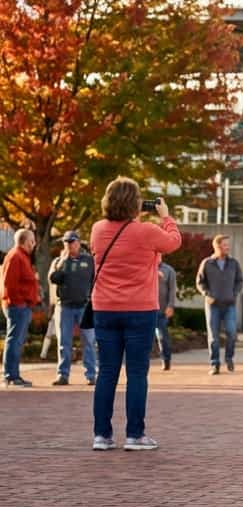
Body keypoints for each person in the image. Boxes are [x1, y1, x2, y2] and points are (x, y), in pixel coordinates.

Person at [90, 178, 182, 450]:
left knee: (107, 372)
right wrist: (166, 217)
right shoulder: (147, 231)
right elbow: (173, 242)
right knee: (137, 373)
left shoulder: (97, 229)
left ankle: (101, 435)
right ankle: (135, 435)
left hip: (104, 308)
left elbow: (122, 241)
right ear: (135, 202)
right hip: (139, 309)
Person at [49, 231, 97, 386]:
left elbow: (96, 280)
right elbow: (53, 278)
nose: (69, 245)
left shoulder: (89, 260)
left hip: (85, 306)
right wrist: (61, 263)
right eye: (66, 242)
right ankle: (62, 375)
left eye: (71, 241)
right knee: (64, 342)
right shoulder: (59, 261)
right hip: (65, 307)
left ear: (78, 242)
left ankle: (91, 375)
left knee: (89, 341)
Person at [197, 235, 243, 375]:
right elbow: (200, 282)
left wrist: (234, 293)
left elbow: (239, 281)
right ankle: (215, 364)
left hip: (229, 305)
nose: (228, 247)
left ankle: (229, 359)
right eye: (225, 245)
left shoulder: (234, 263)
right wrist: (206, 294)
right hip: (213, 305)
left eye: (228, 245)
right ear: (217, 246)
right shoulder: (207, 263)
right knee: (213, 337)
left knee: (231, 333)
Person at [2, 228, 39, 387]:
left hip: (22, 305)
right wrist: (20, 302)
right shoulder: (16, 256)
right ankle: (11, 376)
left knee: (17, 341)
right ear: (24, 241)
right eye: (32, 241)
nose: (34, 244)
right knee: (14, 341)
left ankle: (13, 374)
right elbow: (9, 284)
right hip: (17, 306)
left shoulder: (22, 256)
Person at [155, 257, 177, 371]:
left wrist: (170, 306)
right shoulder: (143, 267)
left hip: (162, 309)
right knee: (145, 338)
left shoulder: (169, 270)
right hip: (145, 309)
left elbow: (172, 290)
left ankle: (166, 360)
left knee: (162, 337)